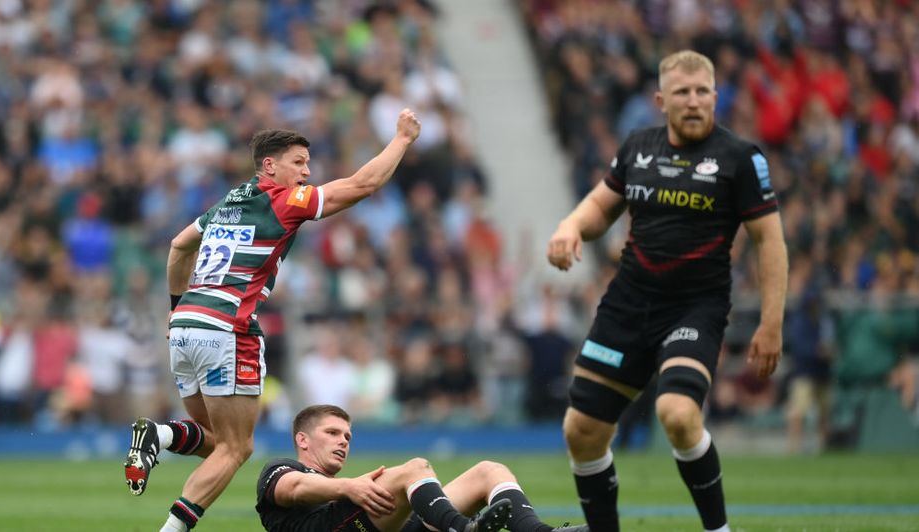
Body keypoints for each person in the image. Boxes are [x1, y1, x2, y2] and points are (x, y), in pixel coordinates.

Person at [123, 108, 423, 532]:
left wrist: (177, 308)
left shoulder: (227, 203)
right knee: (237, 448)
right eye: (298, 162)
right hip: (228, 328)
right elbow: (363, 185)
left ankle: (163, 436)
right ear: (270, 166)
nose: (307, 171)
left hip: (185, 326)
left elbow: (177, 246)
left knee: (213, 438)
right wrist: (402, 140)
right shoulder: (284, 201)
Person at [547, 50, 787, 532]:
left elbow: (770, 240)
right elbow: (600, 207)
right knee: (582, 430)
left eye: (703, 92)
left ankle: (719, 531)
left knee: (676, 414)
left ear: (716, 98)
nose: (694, 101)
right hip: (628, 304)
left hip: (694, 309)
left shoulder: (741, 158)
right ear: (662, 100)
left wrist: (771, 322)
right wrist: (571, 225)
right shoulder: (638, 146)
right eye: (683, 92)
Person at [255, 404, 589, 532]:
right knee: (414, 468)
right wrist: (349, 486)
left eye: (347, 435)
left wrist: (352, 487)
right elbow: (294, 488)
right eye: (332, 433)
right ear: (302, 439)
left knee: (489, 470)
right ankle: (461, 529)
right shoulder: (280, 468)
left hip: (381, 527)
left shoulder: (345, 488)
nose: (343, 441)